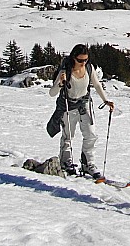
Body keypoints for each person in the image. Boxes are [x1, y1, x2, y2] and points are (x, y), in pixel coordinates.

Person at [48, 44, 114, 179]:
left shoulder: (89, 68)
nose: (83, 63)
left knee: (91, 134)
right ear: (73, 58)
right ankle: (66, 161)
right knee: (68, 136)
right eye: (80, 60)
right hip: (68, 105)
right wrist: (60, 83)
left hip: (84, 104)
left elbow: (96, 84)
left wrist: (106, 100)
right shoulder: (65, 71)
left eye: (86, 60)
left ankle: (88, 163)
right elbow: (52, 93)